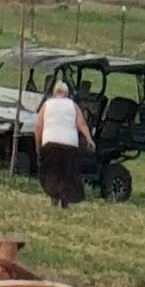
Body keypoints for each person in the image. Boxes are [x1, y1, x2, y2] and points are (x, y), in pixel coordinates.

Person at [33, 73, 93, 207]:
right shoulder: (73, 106)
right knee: (67, 173)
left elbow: (38, 127)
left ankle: (54, 197)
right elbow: (82, 124)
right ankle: (65, 201)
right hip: (69, 144)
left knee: (51, 172)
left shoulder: (47, 105)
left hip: (50, 142)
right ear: (67, 93)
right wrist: (89, 139)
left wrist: (38, 146)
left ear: (54, 92)